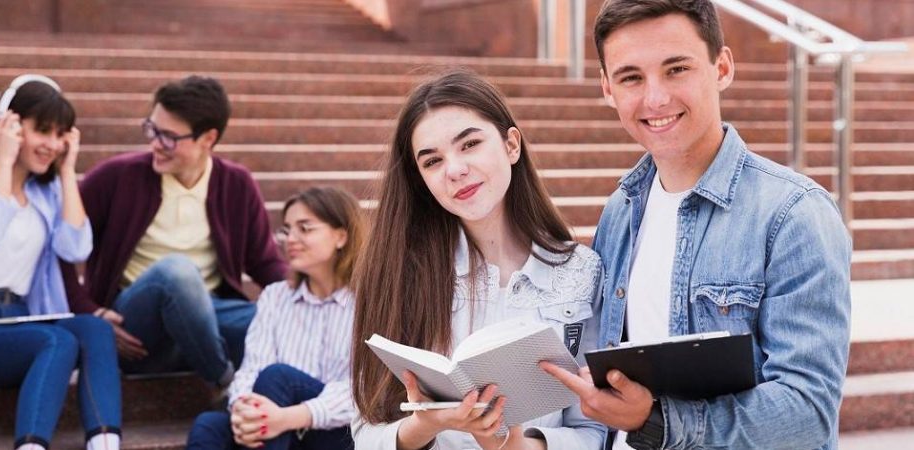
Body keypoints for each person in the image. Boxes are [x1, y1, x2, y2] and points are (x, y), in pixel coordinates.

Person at [540, 1, 852, 449]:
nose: (656, 98)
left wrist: (658, 422)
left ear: (721, 67)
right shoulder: (620, 212)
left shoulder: (794, 213)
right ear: (608, 88)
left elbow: (808, 411)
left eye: (676, 69)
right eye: (632, 77)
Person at [351, 70, 606, 450]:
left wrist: (520, 445)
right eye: (432, 161)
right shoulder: (397, 273)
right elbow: (365, 433)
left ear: (511, 145)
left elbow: (595, 429)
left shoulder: (580, 271)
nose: (454, 170)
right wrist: (423, 427)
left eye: (469, 144)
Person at [0, 74, 121, 450]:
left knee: (94, 331)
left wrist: (66, 172)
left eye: (60, 133)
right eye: (42, 130)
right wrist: (4, 158)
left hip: (18, 322)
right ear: (9, 124)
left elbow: (77, 248)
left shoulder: (44, 193)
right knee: (55, 340)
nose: (52, 143)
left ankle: (106, 444)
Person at [61, 75, 288, 390]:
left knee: (273, 321)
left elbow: (264, 263)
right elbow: (59, 251)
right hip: (136, 328)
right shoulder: (115, 178)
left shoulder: (236, 184)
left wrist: (309, 297)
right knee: (176, 272)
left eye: (168, 136)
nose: (155, 143)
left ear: (207, 139)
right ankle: (224, 381)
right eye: (152, 129)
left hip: (206, 320)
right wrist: (91, 313)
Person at [187, 186, 363, 450]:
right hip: (275, 427)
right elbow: (251, 369)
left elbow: (366, 393)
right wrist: (243, 411)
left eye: (305, 228)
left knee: (279, 377)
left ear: (341, 236)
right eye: (287, 229)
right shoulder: (275, 296)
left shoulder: (370, 301)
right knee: (208, 425)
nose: (290, 238)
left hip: (339, 433)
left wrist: (289, 417)